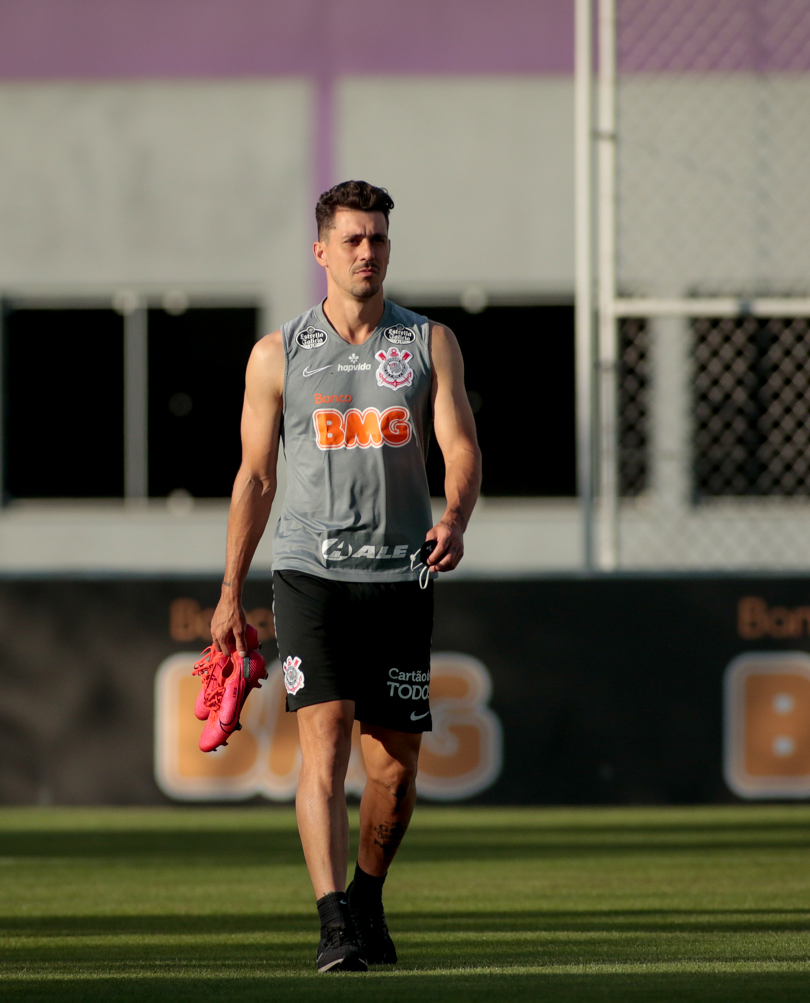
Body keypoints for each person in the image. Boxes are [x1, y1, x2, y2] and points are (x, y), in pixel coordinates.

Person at [209, 180, 482, 972]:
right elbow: (256, 477)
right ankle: (333, 921)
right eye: (353, 240)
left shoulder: (429, 343)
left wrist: (455, 515)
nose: (368, 253)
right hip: (309, 573)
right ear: (321, 250)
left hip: (402, 574)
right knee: (322, 744)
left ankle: (367, 893)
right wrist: (230, 590)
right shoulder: (278, 353)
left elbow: (459, 446)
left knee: (393, 773)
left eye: (379, 239)